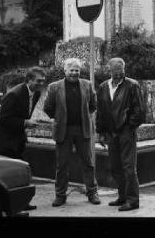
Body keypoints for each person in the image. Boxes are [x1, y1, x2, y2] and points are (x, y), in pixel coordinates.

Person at [43, 58, 100, 207]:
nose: (74, 73)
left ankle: (92, 192)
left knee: (88, 163)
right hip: (64, 130)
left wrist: (83, 117)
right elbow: (48, 107)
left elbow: (93, 105)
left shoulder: (87, 85)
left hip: (83, 130)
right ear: (65, 71)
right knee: (62, 165)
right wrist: (60, 118)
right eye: (72, 70)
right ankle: (60, 195)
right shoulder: (54, 87)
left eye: (77, 70)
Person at [0, 66, 46, 211]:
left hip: (17, 136)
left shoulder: (37, 93)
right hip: (3, 139)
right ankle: (5, 205)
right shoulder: (13, 94)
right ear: (29, 80)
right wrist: (25, 123)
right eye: (38, 81)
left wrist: (24, 124)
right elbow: (4, 119)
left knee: (20, 170)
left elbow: (23, 114)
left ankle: (20, 202)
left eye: (43, 81)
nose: (41, 84)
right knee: (6, 172)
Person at [96, 57, 145, 211]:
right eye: (115, 72)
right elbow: (101, 111)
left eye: (121, 72)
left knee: (129, 168)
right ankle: (122, 196)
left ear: (124, 70)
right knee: (115, 167)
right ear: (109, 71)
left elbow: (140, 112)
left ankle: (133, 200)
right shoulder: (103, 87)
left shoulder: (132, 85)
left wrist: (128, 127)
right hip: (110, 133)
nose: (118, 75)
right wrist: (101, 132)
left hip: (125, 132)